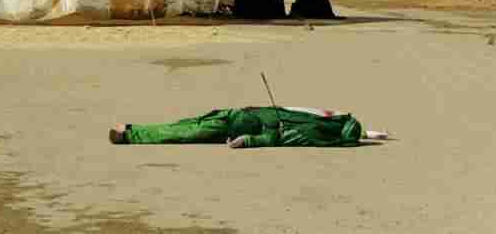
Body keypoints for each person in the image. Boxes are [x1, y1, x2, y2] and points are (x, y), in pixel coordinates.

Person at [108, 105, 384, 148]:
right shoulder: (326, 118)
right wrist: (368, 134)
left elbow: (280, 138)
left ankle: (130, 135)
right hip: (240, 116)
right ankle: (132, 128)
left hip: (238, 124)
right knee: (186, 126)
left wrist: (248, 141)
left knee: (187, 131)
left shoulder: (318, 128)